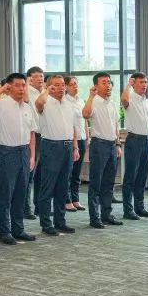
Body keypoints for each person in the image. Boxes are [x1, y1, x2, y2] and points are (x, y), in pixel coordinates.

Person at [0, 74, 36, 245]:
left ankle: (18, 229)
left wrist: (32, 156)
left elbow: (32, 133)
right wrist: (2, 89)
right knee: (6, 193)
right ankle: (5, 231)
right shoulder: (1, 104)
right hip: (7, 152)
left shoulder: (27, 108)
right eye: (17, 85)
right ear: (9, 87)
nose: (21, 88)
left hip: (24, 151)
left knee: (21, 193)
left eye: (23, 85)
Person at [35, 74, 79, 235]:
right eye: (56, 85)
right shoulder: (45, 102)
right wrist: (46, 91)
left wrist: (75, 147)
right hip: (51, 146)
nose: (61, 88)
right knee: (48, 186)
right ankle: (46, 224)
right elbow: (38, 103)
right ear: (49, 87)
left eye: (62, 85)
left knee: (63, 186)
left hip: (67, 146)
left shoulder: (68, 104)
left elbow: (73, 127)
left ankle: (60, 221)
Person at [83, 73, 122, 229]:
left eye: (109, 82)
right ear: (96, 86)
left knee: (108, 183)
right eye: (104, 83)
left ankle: (107, 215)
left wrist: (118, 144)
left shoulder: (111, 103)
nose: (108, 85)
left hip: (112, 146)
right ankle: (95, 217)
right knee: (96, 183)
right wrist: (90, 96)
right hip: (99, 145)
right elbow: (85, 114)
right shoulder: (93, 101)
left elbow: (115, 126)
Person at [121, 72, 148, 220]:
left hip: (146, 140)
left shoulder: (146, 101)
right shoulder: (129, 97)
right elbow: (123, 100)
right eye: (141, 82)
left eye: (145, 82)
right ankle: (128, 210)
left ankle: (139, 207)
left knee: (142, 176)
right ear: (133, 83)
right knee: (130, 176)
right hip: (134, 140)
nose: (144, 85)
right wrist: (128, 85)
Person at [64, 75, 87, 212]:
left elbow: (84, 120)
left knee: (77, 173)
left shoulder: (81, 100)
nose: (75, 86)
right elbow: (70, 124)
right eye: (72, 84)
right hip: (72, 140)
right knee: (68, 172)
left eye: (76, 84)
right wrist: (75, 146)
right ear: (66, 87)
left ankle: (75, 199)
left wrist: (87, 138)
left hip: (82, 138)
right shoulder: (65, 102)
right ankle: (66, 200)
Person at [24, 66, 45, 218]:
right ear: (30, 78)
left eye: (42, 76)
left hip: (46, 137)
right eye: (36, 76)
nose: (40, 79)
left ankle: (40, 206)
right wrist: (26, 84)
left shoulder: (45, 93)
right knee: (29, 174)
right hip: (33, 137)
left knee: (42, 175)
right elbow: (25, 101)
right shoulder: (27, 92)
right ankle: (26, 208)